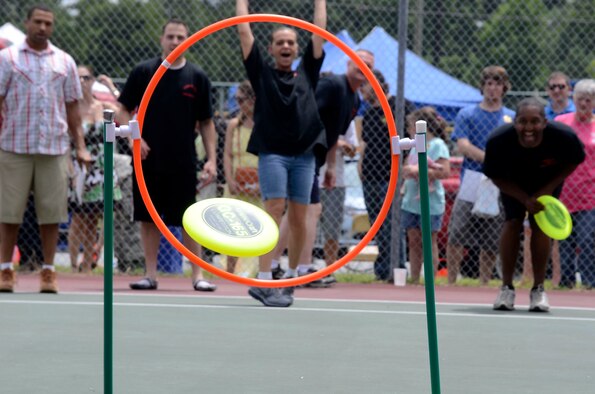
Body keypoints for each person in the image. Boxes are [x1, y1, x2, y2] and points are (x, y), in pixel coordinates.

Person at [237, 0, 327, 307]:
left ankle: (290, 277)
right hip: (273, 152)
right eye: (280, 42)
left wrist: (319, 2)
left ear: (297, 48)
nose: (285, 45)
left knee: (300, 216)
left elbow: (319, 32)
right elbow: (244, 32)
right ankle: (264, 280)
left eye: (290, 42)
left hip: (304, 153)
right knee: (274, 208)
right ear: (272, 49)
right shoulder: (262, 74)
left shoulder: (308, 72)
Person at [116, 18, 217, 292]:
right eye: (170, 37)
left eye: (180, 37)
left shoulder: (197, 77)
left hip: (183, 159)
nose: (175, 42)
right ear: (162, 39)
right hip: (148, 158)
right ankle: (150, 274)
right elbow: (121, 109)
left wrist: (211, 159)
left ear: (188, 40)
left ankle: (197, 275)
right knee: (148, 216)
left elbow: (207, 122)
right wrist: (135, 139)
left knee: (189, 219)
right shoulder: (144, 71)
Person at [0, 5, 92, 293]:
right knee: (9, 213)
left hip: (53, 148)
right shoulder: (7, 58)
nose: (42, 27)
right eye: (38, 22)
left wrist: (80, 146)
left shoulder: (64, 62)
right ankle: (5, 270)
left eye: (48, 23)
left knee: (51, 214)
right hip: (14, 145)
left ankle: (49, 271)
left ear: (52, 27)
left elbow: (73, 108)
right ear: (27, 23)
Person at [269, 50, 376, 285]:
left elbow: (334, 134)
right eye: (359, 62)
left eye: (368, 64)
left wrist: (330, 167)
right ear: (349, 63)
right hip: (300, 152)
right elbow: (305, 111)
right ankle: (305, 270)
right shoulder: (333, 85)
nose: (362, 66)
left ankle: (275, 263)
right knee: (310, 210)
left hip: (315, 158)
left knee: (298, 211)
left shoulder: (354, 99)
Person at [484, 97, 585, 312]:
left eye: (535, 121)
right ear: (515, 122)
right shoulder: (499, 141)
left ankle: (538, 289)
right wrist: (524, 199)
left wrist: (547, 190)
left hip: (547, 182)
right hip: (512, 183)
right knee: (512, 222)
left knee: (540, 227)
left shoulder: (563, 137)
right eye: (522, 121)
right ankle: (507, 288)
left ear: (544, 123)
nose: (529, 127)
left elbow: (574, 160)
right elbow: (495, 176)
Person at [446, 65, 515, 285]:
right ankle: (451, 281)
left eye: (497, 84)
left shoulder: (511, 118)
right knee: (457, 231)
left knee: (492, 236)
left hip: (499, 181)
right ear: (482, 86)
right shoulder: (467, 114)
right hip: (472, 179)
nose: (493, 88)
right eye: (489, 83)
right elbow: (463, 145)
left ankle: (485, 282)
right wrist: (490, 159)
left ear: (504, 87)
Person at [359, 69, 414, 281]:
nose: (363, 90)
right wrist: (361, 168)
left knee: (392, 222)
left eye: (366, 85)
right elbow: (365, 144)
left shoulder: (399, 105)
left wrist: (402, 171)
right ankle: (382, 269)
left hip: (390, 176)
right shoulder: (369, 113)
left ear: (378, 84)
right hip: (370, 176)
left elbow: (412, 138)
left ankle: (396, 267)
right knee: (377, 223)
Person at [68, 65, 122, 273]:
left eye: (87, 78)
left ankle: (88, 265)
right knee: (79, 219)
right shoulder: (71, 109)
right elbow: (67, 143)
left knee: (96, 218)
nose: (83, 82)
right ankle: (73, 266)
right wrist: (71, 173)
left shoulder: (102, 106)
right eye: (79, 78)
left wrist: (109, 86)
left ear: (93, 81)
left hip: (103, 167)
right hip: (81, 169)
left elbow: (125, 109)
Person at [401, 107, 451, 284]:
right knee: (413, 240)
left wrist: (421, 170)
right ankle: (414, 277)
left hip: (431, 202)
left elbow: (444, 171)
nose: (408, 130)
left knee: (429, 240)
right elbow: (407, 166)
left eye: (410, 126)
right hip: (411, 201)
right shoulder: (414, 146)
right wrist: (407, 172)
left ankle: (430, 278)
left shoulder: (437, 145)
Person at [556, 79, 595, 289]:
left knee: (587, 238)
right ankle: (566, 280)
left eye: (588, 100)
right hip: (565, 191)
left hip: (590, 192)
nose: (584, 104)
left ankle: (590, 281)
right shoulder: (562, 122)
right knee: (565, 239)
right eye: (580, 99)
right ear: (574, 99)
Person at [223, 80, 261, 274]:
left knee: (257, 232)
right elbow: (228, 154)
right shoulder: (234, 125)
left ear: (253, 100)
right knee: (233, 231)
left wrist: (263, 183)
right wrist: (229, 179)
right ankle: (230, 271)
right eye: (236, 99)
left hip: (259, 183)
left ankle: (255, 271)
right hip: (237, 183)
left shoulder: (264, 124)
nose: (238, 104)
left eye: (241, 99)